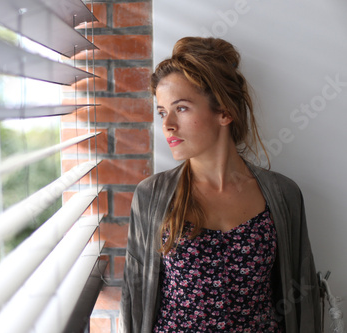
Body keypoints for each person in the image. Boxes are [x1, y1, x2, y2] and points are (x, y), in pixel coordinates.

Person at [119, 37, 321, 333]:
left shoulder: (283, 195)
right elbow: (134, 300)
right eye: (162, 112)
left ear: (224, 112)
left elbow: (303, 295)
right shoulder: (152, 197)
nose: (167, 124)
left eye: (182, 108)